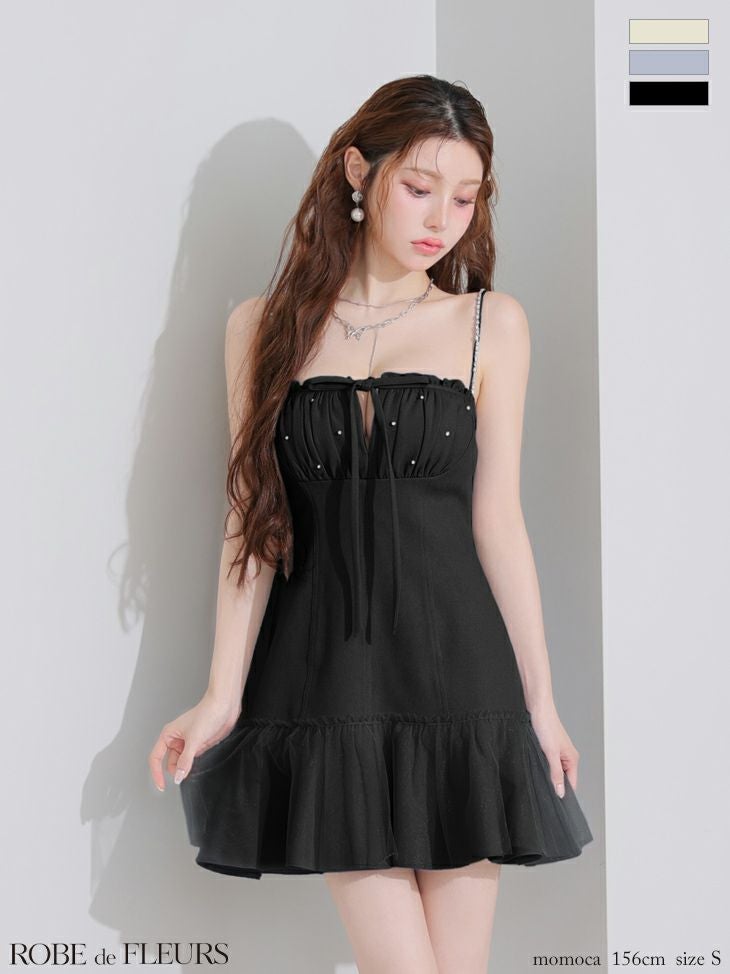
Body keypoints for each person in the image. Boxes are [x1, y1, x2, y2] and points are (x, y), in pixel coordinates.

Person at [148, 74, 593, 974]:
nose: (442, 219)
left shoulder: (490, 325)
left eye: (465, 197)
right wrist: (222, 693)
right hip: (329, 682)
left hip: (463, 679)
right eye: (420, 187)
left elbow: (499, 523)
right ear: (359, 171)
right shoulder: (262, 328)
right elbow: (252, 520)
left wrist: (541, 705)